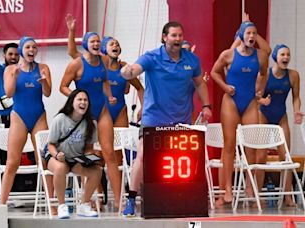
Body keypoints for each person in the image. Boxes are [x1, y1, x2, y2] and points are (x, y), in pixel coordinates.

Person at [120, 21, 212, 216]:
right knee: (143, 156)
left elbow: (199, 84)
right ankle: (131, 199)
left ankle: (183, 199)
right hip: (154, 118)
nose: (178, 39)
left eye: (180, 35)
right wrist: (127, 71)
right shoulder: (152, 57)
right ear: (164, 37)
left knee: (182, 161)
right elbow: (134, 70)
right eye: (173, 35)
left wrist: (206, 106)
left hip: (181, 118)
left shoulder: (191, 60)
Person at [60, 31, 122, 208]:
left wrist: (109, 96)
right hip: (83, 114)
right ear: (86, 44)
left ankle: (119, 200)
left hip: (102, 110)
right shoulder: (76, 64)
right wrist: (76, 97)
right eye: (93, 41)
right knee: (86, 157)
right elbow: (62, 86)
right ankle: (87, 201)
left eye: (98, 41)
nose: (96, 44)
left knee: (110, 154)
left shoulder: (104, 61)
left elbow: (105, 81)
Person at [210, 19, 270, 205]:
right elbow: (214, 72)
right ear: (241, 36)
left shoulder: (260, 56)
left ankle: (250, 186)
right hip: (231, 102)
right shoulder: (228, 55)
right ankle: (227, 190)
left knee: (250, 146)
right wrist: (225, 87)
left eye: (254, 33)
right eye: (248, 33)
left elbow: (264, 73)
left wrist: (259, 90)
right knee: (229, 146)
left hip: (250, 102)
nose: (252, 36)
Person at [66, 14, 144, 125]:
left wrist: (143, 108)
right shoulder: (97, 63)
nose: (115, 46)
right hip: (100, 110)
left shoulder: (124, 68)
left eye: (117, 44)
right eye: (111, 44)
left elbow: (139, 88)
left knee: (121, 142)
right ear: (104, 49)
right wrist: (71, 31)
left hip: (119, 110)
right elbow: (72, 52)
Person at [0, 36, 52, 204]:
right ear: (22, 49)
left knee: (43, 161)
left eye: (34, 47)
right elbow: (9, 93)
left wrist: (44, 82)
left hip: (39, 116)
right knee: (12, 162)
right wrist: (14, 76)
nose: (32, 50)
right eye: (28, 47)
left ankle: (51, 203)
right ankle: (1, 203)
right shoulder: (10, 70)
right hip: (19, 117)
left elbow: (48, 93)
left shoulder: (43, 67)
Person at [258, 44, 303, 207]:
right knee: (260, 157)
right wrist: (262, 100)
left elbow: (296, 97)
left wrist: (297, 111)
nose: (286, 57)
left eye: (288, 55)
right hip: (263, 115)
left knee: (286, 157)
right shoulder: (265, 75)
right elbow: (255, 96)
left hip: (280, 116)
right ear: (276, 57)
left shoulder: (293, 76)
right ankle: (259, 195)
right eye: (283, 54)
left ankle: (288, 196)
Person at [46, 89, 102, 219]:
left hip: (76, 159)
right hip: (57, 157)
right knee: (60, 168)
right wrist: (56, 155)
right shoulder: (60, 119)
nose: (83, 102)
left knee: (97, 171)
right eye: (80, 99)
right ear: (72, 102)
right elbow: (51, 145)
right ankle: (62, 206)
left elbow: (89, 147)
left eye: (85, 100)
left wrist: (90, 157)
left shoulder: (91, 123)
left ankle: (83, 204)